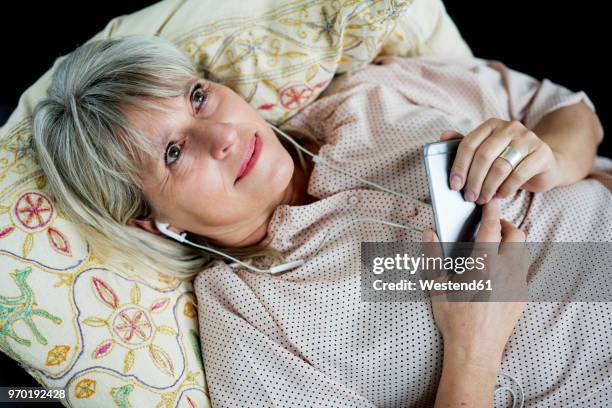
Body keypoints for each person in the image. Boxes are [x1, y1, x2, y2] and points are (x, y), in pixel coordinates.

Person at [32, 35, 611, 406]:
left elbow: (565, 108)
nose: (224, 137)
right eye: (174, 153)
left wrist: (551, 157)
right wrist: (473, 347)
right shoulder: (245, 318)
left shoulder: (368, 95)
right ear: (149, 222)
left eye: (199, 97)